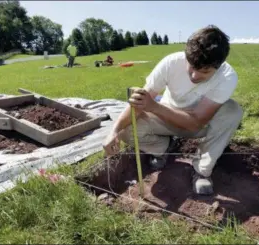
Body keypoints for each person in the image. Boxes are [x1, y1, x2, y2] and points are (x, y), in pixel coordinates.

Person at [102, 25, 243, 195]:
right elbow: (139, 102)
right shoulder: (171, 63)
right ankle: (164, 148)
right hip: (166, 119)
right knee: (126, 129)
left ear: (218, 66)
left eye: (204, 71)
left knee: (232, 111)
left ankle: (202, 171)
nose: (194, 76)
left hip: (200, 126)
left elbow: (195, 123)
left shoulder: (227, 77)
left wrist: (153, 106)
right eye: (191, 66)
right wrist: (114, 130)